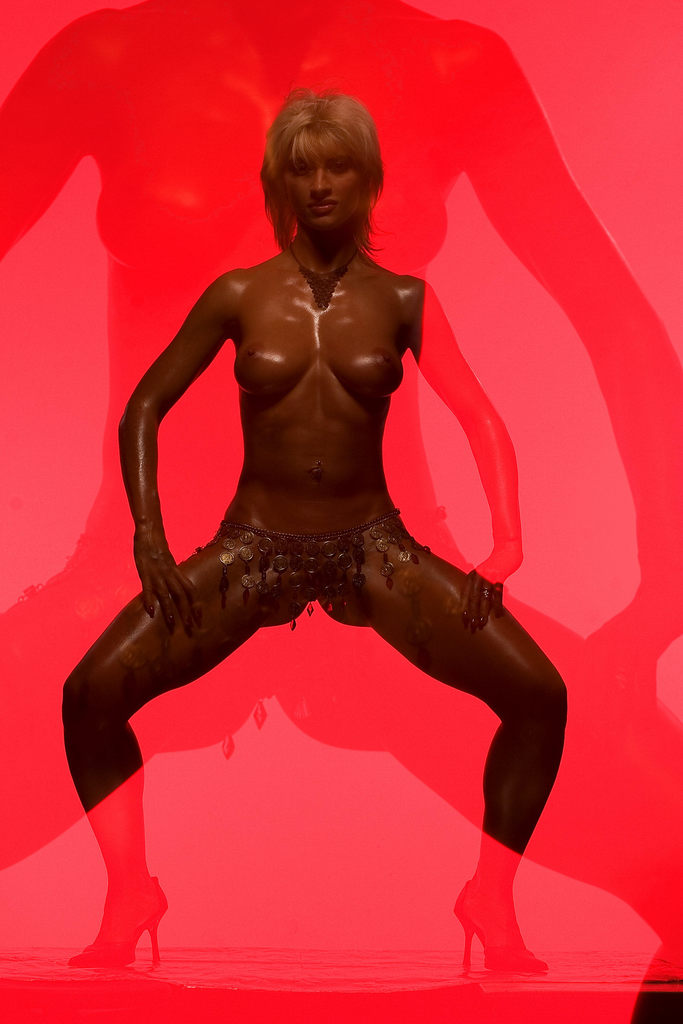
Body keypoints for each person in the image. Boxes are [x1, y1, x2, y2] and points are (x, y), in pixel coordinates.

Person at [62, 90, 566, 971]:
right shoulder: (239, 293)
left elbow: (480, 416)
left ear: (367, 180)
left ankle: (489, 896)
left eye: (337, 166)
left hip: (372, 548)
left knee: (540, 697)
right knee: (88, 695)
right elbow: (144, 405)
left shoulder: (404, 299)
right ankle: (128, 890)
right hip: (254, 550)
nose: (320, 184)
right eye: (302, 169)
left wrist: (508, 541)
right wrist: (149, 535)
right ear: (280, 184)